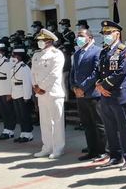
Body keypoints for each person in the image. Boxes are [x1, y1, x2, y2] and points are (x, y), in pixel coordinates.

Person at [93, 21, 126, 170]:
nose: (105, 36)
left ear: (117, 33)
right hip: (105, 96)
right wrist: (99, 85)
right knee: (110, 128)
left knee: (124, 129)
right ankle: (115, 156)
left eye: (108, 33)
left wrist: (104, 86)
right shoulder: (104, 51)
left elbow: (121, 72)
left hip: (120, 95)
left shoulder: (125, 50)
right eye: (104, 33)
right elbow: (98, 70)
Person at [70, 29, 106, 162]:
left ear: (90, 38)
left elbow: (96, 72)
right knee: (87, 124)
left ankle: (103, 151)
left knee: (98, 123)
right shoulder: (77, 53)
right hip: (80, 95)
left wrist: (83, 87)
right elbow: (73, 72)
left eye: (81, 36)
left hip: (93, 93)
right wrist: (74, 87)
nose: (78, 38)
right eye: (77, 36)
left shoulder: (98, 51)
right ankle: (92, 150)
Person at [31, 29, 66, 159]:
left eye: (42, 40)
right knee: (44, 122)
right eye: (39, 40)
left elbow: (54, 73)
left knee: (57, 122)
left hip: (53, 92)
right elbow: (33, 72)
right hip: (40, 93)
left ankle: (58, 148)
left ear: (49, 41)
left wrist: (42, 87)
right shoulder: (36, 55)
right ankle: (47, 147)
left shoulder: (57, 54)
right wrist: (35, 86)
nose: (39, 42)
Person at [10, 48, 34, 143]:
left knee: (25, 115)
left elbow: (27, 83)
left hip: (22, 94)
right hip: (16, 93)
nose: (13, 57)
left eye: (15, 56)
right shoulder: (14, 67)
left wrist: (27, 96)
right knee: (19, 116)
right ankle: (23, 133)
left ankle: (28, 134)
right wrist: (12, 93)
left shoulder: (25, 67)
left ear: (20, 57)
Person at [0, 43, 15, 140]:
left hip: (6, 90)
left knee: (9, 111)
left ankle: (10, 130)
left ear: (3, 52)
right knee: (3, 111)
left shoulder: (9, 62)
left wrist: (10, 92)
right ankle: (6, 129)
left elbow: (11, 78)